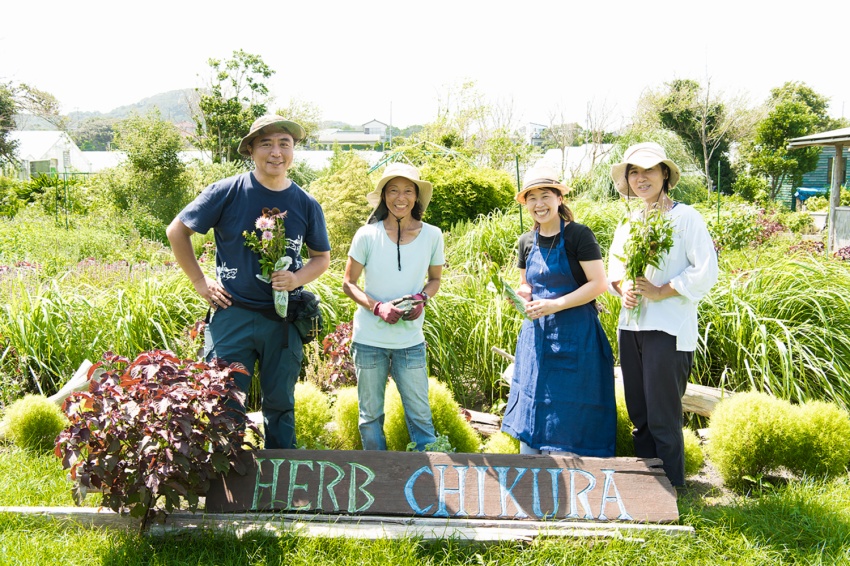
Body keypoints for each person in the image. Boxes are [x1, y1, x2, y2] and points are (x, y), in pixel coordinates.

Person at [166, 114, 331, 449]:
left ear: (293, 150)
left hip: (282, 323)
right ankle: (228, 490)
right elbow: (177, 231)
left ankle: (282, 489)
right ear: (251, 150)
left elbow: (321, 258)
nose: (276, 152)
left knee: (281, 405)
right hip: (232, 315)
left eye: (284, 143)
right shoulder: (226, 192)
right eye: (266, 143)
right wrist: (200, 282)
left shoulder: (305, 203)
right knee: (225, 401)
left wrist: (295, 278)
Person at [607, 142, 718, 487]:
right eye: (634, 172)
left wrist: (660, 291)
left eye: (649, 171)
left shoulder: (686, 218)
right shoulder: (629, 221)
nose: (641, 178)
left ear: (665, 174)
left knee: (662, 417)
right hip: (632, 327)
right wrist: (622, 287)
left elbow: (706, 271)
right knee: (639, 414)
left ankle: (672, 489)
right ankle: (647, 487)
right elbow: (615, 266)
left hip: (668, 330)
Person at [501, 163, 616, 457]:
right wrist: (521, 295)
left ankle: (576, 477)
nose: (539, 204)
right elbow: (526, 284)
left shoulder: (579, 235)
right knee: (534, 400)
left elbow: (599, 284)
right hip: (537, 337)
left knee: (573, 406)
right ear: (525, 203)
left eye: (545, 196)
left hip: (577, 335)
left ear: (559, 199)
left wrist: (556, 304)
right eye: (532, 198)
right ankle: (532, 473)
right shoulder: (526, 242)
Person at [342, 163, 443, 451]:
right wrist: (377, 308)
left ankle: (428, 481)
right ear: (384, 196)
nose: (401, 197)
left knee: (421, 417)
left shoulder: (432, 235)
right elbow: (348, 283)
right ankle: (378, 482)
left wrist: (422, 299)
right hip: (369, 340)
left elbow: (434, 280)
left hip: (410, 341)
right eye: (393, 191)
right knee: (370, 417)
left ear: (416, 197)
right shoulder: (366, 234)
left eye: (408, 191)